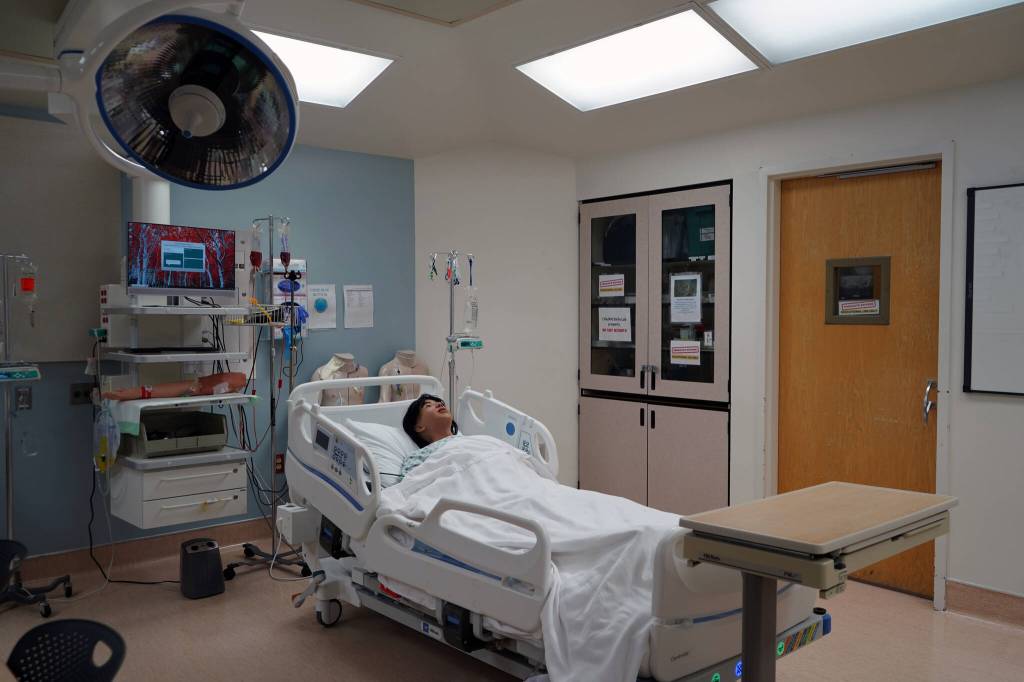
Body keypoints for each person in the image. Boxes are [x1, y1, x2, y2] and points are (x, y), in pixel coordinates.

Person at [400, 394, 459, 479]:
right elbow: (410, 483)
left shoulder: (470, 440)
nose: (439, 404)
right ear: (419, 427)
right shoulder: (420, 456)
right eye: (428, 405)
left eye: (441, 403)